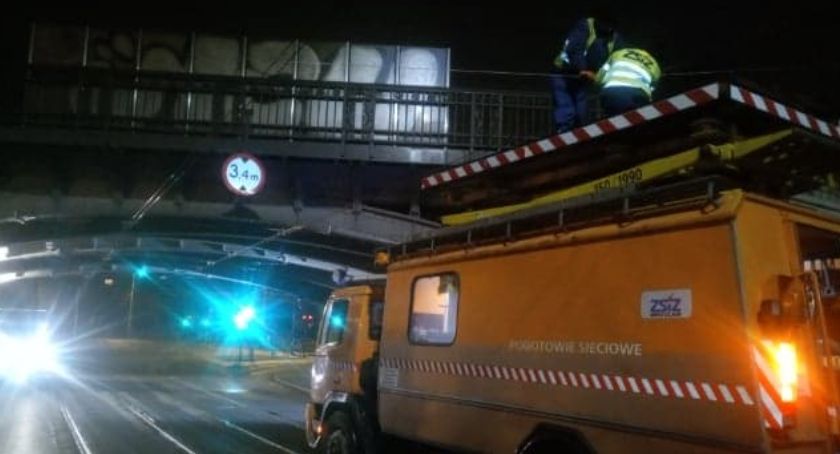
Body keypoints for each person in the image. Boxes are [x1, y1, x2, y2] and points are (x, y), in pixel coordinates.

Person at [551, 16, 621, 132]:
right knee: (566, 109)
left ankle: (577, 133)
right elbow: (574, 49)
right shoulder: (585, 26)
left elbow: (611, 59)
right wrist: (583, 69)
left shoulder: (613, 37)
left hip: (582, 78)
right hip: (564, 74)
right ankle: (564, 133)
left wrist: (597, 76)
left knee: (580, 112)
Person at [596, 47, 661, 116]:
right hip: (637, 96)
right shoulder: (655, 65)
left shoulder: (618, 53)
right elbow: (652, 89)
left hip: (611, 92)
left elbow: (599, 77)